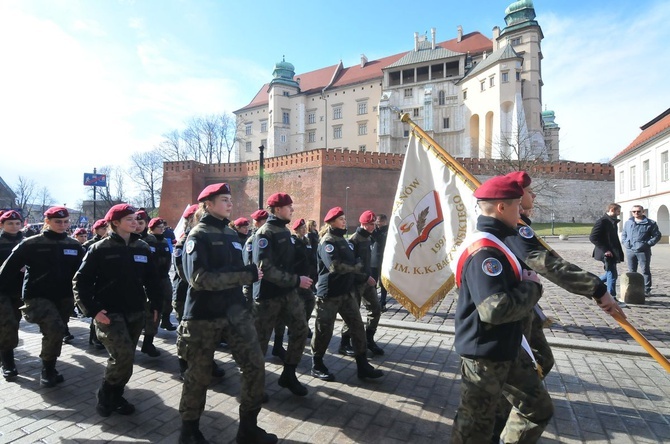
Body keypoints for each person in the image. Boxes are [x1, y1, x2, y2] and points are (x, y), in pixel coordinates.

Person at [495, 171, 625, 442]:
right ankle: (502, 419)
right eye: (529, 192)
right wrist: (597, 288)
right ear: (517, 197)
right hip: (513, 311)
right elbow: (545, 263)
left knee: (541, 361)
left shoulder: (522, 224)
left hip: (526, 309)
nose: (534, 196)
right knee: (527, 374)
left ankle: (506, 413)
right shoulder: (516, 228)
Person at [451, 175, 553, 443]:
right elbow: (493, 310)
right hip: (484, 353)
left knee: (538, 407)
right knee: (474, 427)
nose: (522, 211)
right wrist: (532, 288)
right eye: (518, 206)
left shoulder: (500, 242)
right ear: (501, 208)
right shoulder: (485, 252)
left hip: (507, 345)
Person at [179, 183, 276, 444]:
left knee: (255, 366)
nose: (230, 203)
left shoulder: (232, 234)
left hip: (235, 314)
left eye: (230, 199)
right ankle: (189, 432)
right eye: (224, 199)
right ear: (208, 204)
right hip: (203, 316)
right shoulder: (198, 235)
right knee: (198, 376)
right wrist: (246, 276)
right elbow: (199, 279)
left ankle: (248, 429)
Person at [73, 204, 162, 417]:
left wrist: (157, 304)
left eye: (136, 218)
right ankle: (105, 395)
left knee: (127, 358)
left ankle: (116, 395)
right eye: (129, 219)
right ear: (115, 223)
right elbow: (80, 282)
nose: (135, 222)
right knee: (121, 356)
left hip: (135, 311)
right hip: (109, 313)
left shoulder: (142, 247)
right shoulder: (99, 248)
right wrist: (92, 311)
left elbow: (152, 280)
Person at [0, 206, 84, 387]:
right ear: (47, 222)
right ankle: (10, 362)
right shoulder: (31, 243)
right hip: (36, 296)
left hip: (63, 297)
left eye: (66, 221)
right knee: (48, 328)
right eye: (58, 221)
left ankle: (49, 367)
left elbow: (85, 274)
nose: (63, 225)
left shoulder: (74, 245)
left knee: (58, 330)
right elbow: (7, 270)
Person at [311, 207, 383, 382]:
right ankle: (317, 364)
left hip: (346, 292)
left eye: (344, 218)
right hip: (329, 294)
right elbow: (334, 266)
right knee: (324, 330)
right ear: (331, 222)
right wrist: (356, 267)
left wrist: (354, 266)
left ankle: (362, 364)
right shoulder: (327, 241)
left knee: (357, 328)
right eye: (341, 219)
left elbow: (350, 261)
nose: (344, 221)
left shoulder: (342, 240)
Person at [251, 193, 311, 397]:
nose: (292, 210)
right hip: (268, 297)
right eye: (289, 207)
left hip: (288, 293)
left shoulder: (284, 232)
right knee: (260, 341)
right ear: (277, 210)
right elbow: (265, 269)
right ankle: (254, 386)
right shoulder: (265, 233)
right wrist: (296, 280)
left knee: (301, 330)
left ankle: (289, 374)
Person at [340, 210, 384, 356]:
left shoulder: (369, 238)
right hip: (356, 283)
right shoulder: (354, 240)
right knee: (353, 313)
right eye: (370, 224)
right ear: (363, 224)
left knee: (375, 309)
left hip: (368, 281)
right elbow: (351, 265)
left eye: (374, 224)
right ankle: (345, 343)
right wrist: (365, 277)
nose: (373, 227)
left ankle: (369, 339)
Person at [0, 210, 24, 381]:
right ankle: (8, 362)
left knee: (14, 322)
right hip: (2, 290)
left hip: (20, 290)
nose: (14, 226)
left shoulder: (27, 242)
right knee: (8, 324)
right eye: (10, 223)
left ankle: (4, 350)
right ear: (1, 225)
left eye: (17, 223)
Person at [135, 209, 163, 356]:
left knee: (153, 314)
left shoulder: (153, 240)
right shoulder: (128, 240)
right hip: (135, 284)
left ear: (146, 224)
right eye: (136, 222)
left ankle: (148, 343)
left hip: (152, 282)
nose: (138, 226)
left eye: (141, 223)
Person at [621, 205, 662, 296]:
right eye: (634, 211)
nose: (636, 213)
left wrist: (647, 244)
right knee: (632, 271)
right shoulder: (628, 222)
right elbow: (624, 234)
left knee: (645, 270)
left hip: (643, 251)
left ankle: (646, 289)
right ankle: (632, 288)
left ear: (643, 212)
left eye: (638, 211)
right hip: (630, 250)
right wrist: (625, 242)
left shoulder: (650, 223)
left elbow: (657, 235)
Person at [589, 203, 625, 304]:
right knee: (612, 274)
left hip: (613, 252)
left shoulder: (612, 222)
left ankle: (592, 285)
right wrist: (606, 250)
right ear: (612, 210)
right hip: (606, 253)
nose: (619, 213)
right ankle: (611, 297)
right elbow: (593, 237)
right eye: (618, 211)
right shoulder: (602, 221)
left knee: (610, 274)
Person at [149, 217, 177, 331]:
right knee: (153, 302)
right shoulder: (149, 241)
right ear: (152, 229)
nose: (161, 230)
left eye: (162, 228)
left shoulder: (165, 241)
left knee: (168, 298)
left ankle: (166, 320)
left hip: (164, 276)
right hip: (152, 277)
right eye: (158, 228)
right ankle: (150, 327)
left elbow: (169, 257)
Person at [370, 213, 389, 311]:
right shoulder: (375, 231)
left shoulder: (387, 231)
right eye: (377, 221)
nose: (378, 223)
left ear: (385, 221)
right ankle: (373, 301)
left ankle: (382, 302)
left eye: (380, 221)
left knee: (383, 283)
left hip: (384, 260)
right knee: (373, 282)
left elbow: (382, 239)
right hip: (374, 260)